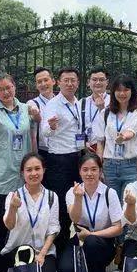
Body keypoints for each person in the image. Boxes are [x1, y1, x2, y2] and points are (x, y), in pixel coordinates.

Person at [57, 153, 123, 272]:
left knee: (92, 242)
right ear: (79, 171)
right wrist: (78, 198)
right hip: (80, 240)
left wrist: (92, 234)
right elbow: (74, 218)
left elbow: (118, 228)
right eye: (85, 169)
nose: (89, 174)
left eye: (94, 169)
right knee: (65, 270)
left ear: (100, 171)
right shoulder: (72, 192)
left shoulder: (109, 193)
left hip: (103, 241)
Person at [0, 74, 36, 257]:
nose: (5, 92)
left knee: (23, 218)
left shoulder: (25, 108)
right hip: (2, 172)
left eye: (8, 88)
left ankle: (22, 258)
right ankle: (2, 261)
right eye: (1, 89)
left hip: (23, 172)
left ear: (14, 87)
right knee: (2, 219)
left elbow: (33, 131)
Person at [40, 66, 85, 254]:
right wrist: (51, 126)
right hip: (59, 160)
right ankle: (60, 248)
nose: (70, 83)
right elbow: (44, 132)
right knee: (61, 207)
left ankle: (74, 246)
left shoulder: (78, 103)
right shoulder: (53, 104)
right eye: (66, 80)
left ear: (78, 83)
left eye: (73, 80)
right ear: (58, 83)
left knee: (77, 200)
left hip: (77, 157)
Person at [1, 154, 60, 272]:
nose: (34, 173)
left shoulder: (51, 196)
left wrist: (42, 254)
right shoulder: (14, 196)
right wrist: (13, 207)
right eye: (29, 170)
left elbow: (53, 229)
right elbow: (9, 225)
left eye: (37, 169)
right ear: (22, 173)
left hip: (43, 251)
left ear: (43, 170)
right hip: (18, 250)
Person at [93, 74, 137, 200]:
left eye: (126, 90)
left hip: (131, 165)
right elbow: (100, 142)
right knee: (111, 203)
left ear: (132, 92)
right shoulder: (106, 113)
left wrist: (123, 137)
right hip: (110, 165)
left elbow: (131, 132)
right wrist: (99, 166)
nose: (122, 93)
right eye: (118, 90)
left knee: (129, 202)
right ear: (113, 92)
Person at [27, 66, 55, 158]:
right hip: (42, 152)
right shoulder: (32, 104)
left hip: (61, 149)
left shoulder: (61, 102)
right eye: (39, 82)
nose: (43, 84)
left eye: (46, 80)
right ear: (36, 85)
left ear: (53, 81)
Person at [80, 66, 109, 152]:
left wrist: (102, 109)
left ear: (107, 82)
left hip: (107, 148)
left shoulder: (113, 102)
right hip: (86, 148)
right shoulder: (82, 103)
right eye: (94, 79)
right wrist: (83, 143)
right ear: (88, 82)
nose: (98, 82)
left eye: (101, 80)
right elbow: (77, 127)